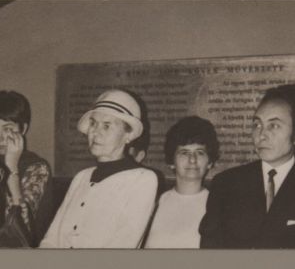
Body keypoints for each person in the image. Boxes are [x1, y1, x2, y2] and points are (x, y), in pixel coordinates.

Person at [40, 89, 158, 248]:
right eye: (93, 123)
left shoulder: (142, 179)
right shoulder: (81, 177)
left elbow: (123, 245)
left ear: (127, 135)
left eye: (107, 126)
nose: (95, 132)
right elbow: (51, 238)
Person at [199, 84, 295, 248]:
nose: (261, 135)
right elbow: (210, 252)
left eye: (274, 125)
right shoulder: (226, 184)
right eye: (257, 125)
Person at [144, 116, 219, 248]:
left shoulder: (218, 206)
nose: (192, 160)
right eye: (184, 152)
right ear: (171, 162)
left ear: (210, 162)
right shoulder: (154, 202)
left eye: (200, 152)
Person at [0, 90, 52, 246]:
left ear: (23, 129)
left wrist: (12, 168)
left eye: (7, 128)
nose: (0, 137)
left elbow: (21, 227)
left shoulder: (37, 167)